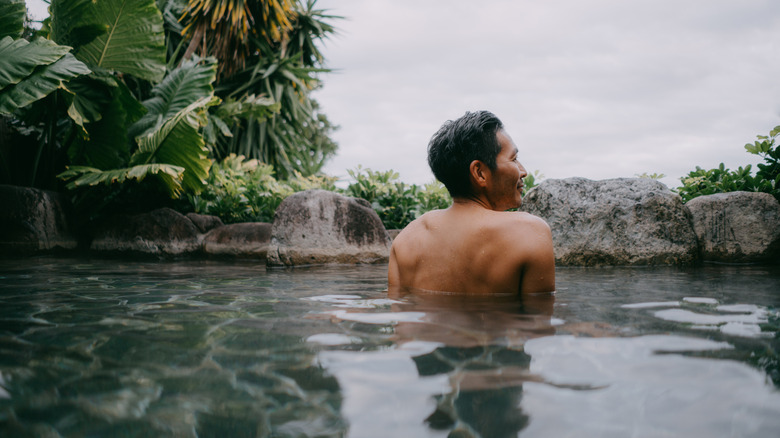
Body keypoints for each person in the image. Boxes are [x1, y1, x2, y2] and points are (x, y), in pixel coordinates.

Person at [388, 111, 555, 296]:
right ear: (480, 173)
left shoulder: (405, 240)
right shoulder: (529, 232)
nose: (523, 171)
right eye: (514, 159)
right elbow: (537, 321)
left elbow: (401, 315)